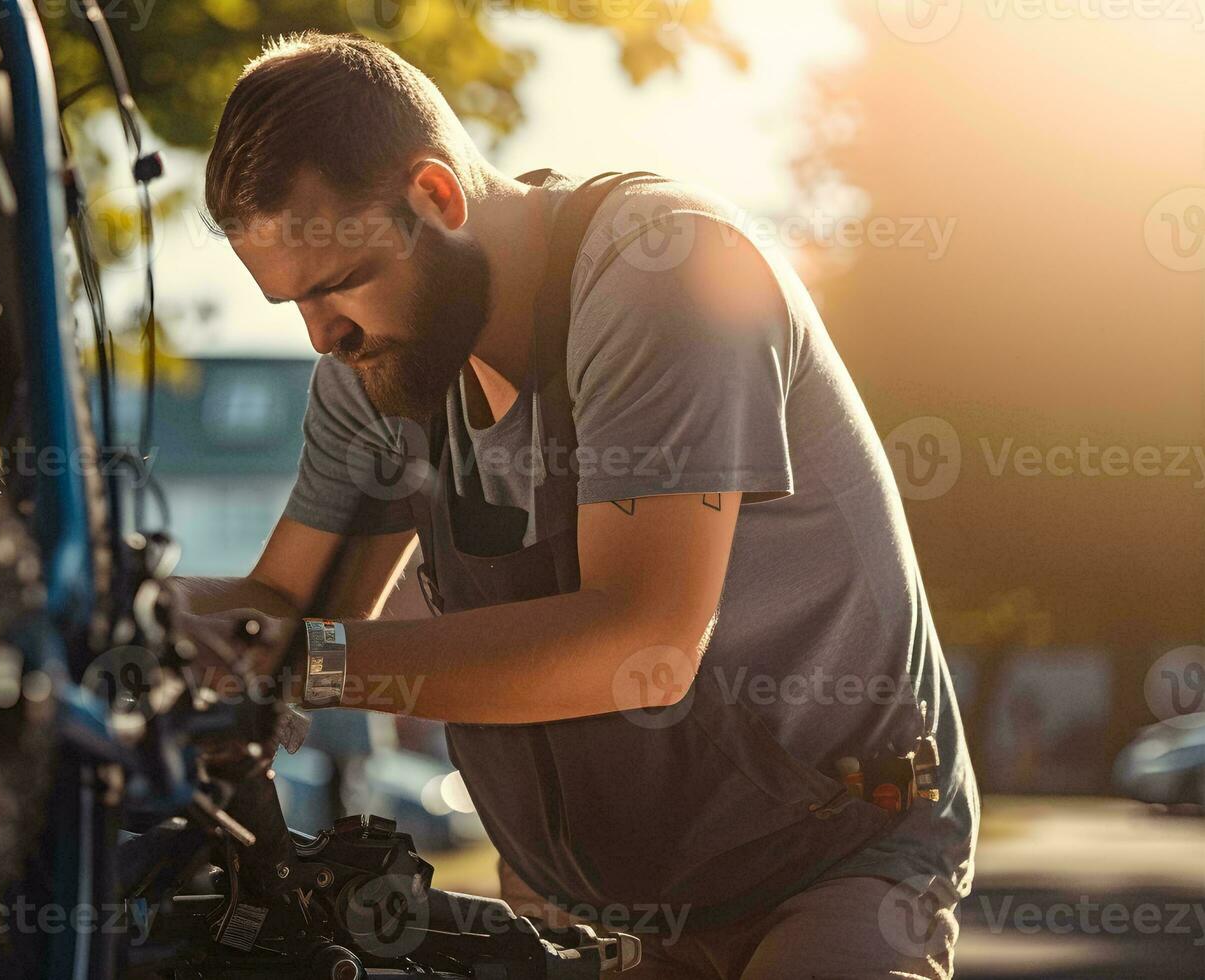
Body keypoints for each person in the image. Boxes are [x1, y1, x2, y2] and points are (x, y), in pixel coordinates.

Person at [171, 31, 977, 979]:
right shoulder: (377, 366)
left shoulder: (662, 270)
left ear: (434, 198)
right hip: (588, 909)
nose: (322, 336)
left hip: (827, 863)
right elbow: (288, 610)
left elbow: (643, 646)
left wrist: (293, 663)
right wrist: (119, 609)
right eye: (290, 305)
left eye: (338, 286)